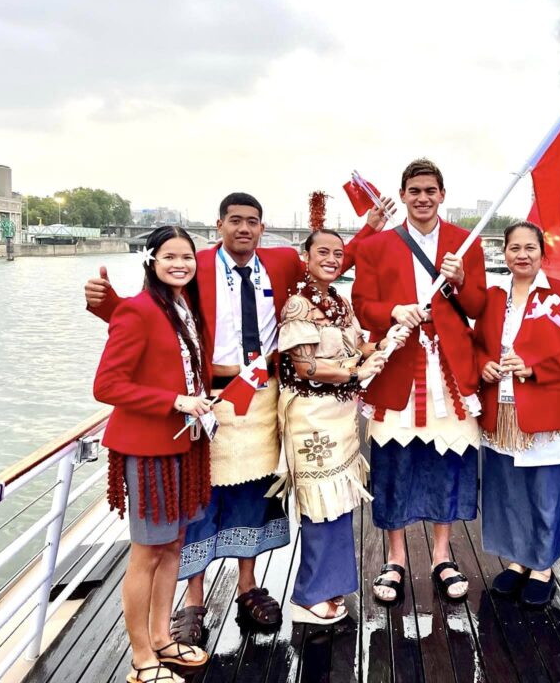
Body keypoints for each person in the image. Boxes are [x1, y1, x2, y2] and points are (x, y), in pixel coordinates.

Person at [85, 192, 393, 639]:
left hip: (263, 394)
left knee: (254, 492)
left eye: (252, 221)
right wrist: (106, 304)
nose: (244, 228)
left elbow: (327, 264)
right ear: (219, 225)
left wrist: (369, 227)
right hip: (209, 395)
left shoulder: (283, 262)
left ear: (262, 229)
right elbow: (151, 314)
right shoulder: (194, 265)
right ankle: (193, 602)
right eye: (235, 221)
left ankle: (248, 585)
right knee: (200, 498)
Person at [352, 158, 487, 603]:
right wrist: (392, 311)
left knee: (449, 462)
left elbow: (477, 306)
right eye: (415, 190)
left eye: (431, 190)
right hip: (400, 369)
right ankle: (395, 559)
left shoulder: (465, 243)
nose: (423, 198)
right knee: (396, 462)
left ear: (442, 195)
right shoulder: (376, 247)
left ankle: (442, 555)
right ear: (403, 195)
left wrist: (461, 280)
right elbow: (362, 303)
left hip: (448, 368)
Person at [94, 226, 211, 683]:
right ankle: (141, 658)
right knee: (146, 552)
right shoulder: (137, 311)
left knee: (173, 545)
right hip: (149, 451)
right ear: (152, 261)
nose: (180, 264)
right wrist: (174, 401)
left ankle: (163, 638)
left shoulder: (184, 308)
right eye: (170, 256)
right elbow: (106, 385)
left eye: (187, 256)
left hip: (187, 444)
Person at [276, 229, 410, 623]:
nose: (333, 259)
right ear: (306, 256)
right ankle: (307, 596)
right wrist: (357, 371)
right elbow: (305, 365)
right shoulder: (298, 306)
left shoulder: (339, 301)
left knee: (338, 503)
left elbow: (357, 347)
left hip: (340, 415)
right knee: (319, 504)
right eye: (323, 252)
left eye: (338, 252)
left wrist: (387, 342)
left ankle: (328, 588)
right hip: (310, 416)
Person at [473, 221, 560, 607]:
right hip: (503, 411)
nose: (522, 255)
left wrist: (534, 367)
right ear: (505, 253)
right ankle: (516, 562)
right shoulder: (494, 298)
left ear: (543, 254)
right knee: (509, 492)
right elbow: (477, 343)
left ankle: (543, 565)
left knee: (545, 492)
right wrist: (483, 365)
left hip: (547, 411)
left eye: (530, 248)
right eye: (515, 248)